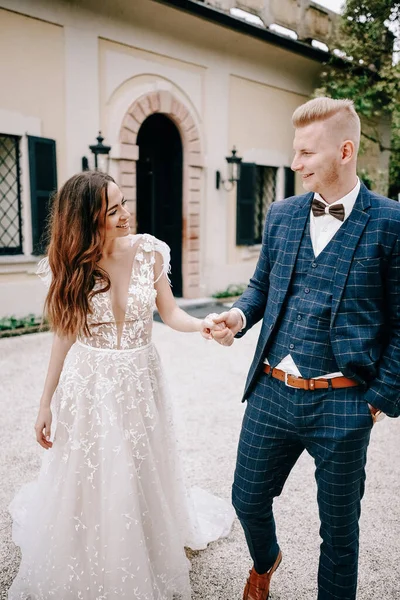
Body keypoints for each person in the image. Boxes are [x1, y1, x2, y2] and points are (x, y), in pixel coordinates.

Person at [206, 97, 400, 600]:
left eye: (306, 153)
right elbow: (262, 287)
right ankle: (265, 560)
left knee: (339, 533)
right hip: (272, 388)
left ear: (345, 150)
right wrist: (239, 316)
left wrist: (378, 400)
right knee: (246, 499)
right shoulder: (283, 214)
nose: (295, 164)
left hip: (343, 400)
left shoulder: (391, 223)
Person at [8, 170, 234, 600]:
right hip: (89, 383)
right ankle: (94, 544)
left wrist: (203, 323)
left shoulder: (150, 252)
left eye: (124, 203)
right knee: (92, 470)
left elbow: (170, 314)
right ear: (86, 219)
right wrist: (45, 402)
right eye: (112, 210)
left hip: (139, 379)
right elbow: (64, 335)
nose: (125, 215)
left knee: (139, 461)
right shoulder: (70, 263)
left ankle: (144, 540)